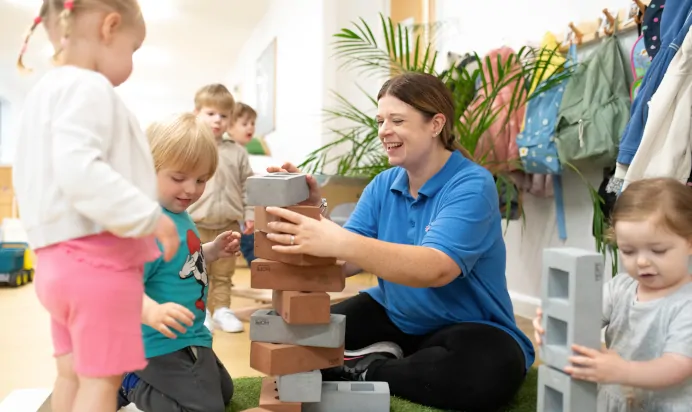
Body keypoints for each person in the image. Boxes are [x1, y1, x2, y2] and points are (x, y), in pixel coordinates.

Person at [262, 72, 534, 411]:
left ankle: (368, 367)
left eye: (397, 120)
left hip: (467, 328)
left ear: (435, 124)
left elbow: (435, 268)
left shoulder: (472, 185)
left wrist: (338, 240)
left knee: (487, 372)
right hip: (394, 314)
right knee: (280, 329)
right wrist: (311, 213)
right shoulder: (383, 184)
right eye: (380, 121)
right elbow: (344, 264)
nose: (383, 131)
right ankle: (393, 363)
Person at [12, 1, 179, 411]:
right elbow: (79, 170)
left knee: (70, 374)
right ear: (110, 27)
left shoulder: (42, 95)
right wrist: (149, 217)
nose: (132, 62)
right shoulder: (89, 88)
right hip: (98, 266)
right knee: (102, 384)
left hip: (54, 265)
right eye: (133, 49)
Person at [534, 177, 692, 412]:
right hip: (614, 397)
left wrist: (623, 371)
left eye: (658, 250)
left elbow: (679, 365)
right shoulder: (621, 286)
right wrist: (551, 323)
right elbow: (581, 314)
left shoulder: (686, 303)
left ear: (690, 242)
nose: (642, 262)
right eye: (628, 251)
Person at [118, 113, 239, 412]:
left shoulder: (178, 214)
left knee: (224, 391)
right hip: (158, 344)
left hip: (191, 335)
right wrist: (152, 313)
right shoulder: (147, 226)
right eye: (178, 178)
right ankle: (129, 381)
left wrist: (210, 251)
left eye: (201, 180)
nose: (191, 190)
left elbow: (182, 262)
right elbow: (121, 289)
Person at [188, 84, 254, 334]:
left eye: (224, 116)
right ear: (197, 112)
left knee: (224, 273)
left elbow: (248, 187)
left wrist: (249, 215)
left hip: (228, 223)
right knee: (197, 272)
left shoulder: (237, 152)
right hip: (195, 223)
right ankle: (200, 311)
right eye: (211, 113)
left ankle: (222, 310)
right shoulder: (191, 146)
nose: (217, 120)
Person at [227, 102, 260, 264]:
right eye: (245, 123)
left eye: (253, 123)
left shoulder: (242, 152)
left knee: (248, 240)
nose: (250, 128)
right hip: (230, 211)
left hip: (239, 211)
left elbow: (246, 184)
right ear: (230, 126)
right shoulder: (226, 151)